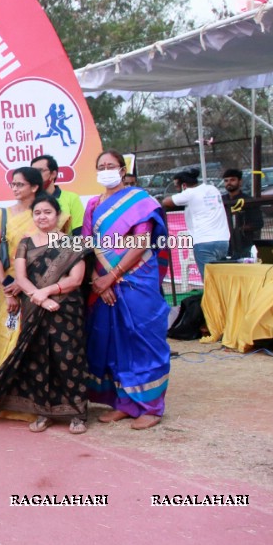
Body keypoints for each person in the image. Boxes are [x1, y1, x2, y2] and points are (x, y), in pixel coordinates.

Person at [0, 194, 89, 434]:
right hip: (34, 307)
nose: (42, 217)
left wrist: (46, 293)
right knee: (38, 359)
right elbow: (20, 277)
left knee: (69, 358)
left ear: (58, 215)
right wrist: (37, 297)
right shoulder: (26, 243)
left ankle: (77, 415)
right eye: (37, 213)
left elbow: (76, 279)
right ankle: (43, 413)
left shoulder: (73, 243)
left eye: (48, 212)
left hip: (66, 308)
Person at [87, 149, 171, 430]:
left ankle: (151, 407)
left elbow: (141, 243)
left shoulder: (140, 201)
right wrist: (99, 282)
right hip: (103, 283)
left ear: (123, 170)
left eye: (111, 165)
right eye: (101, 166)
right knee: (113, 342)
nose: (106, 169)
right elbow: (88, 247)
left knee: (143, 339)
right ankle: (124, 403)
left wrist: (112, 276)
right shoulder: (92, 205)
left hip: (137, 279)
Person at [0, 166, 70, 422]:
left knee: (41, 343)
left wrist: (27, 287)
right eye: (13, 184)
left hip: (43, 289)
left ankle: (41, 403)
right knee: (8, 338)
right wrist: (7, 287)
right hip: (10, 288)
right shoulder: (2, 215)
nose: (15, 188)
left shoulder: (53, 214)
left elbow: (61, 256)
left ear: (35, 187)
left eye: (20, 184)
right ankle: (6, 401)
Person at [162, 168, 229, 279]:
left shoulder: (189, 193)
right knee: (221, 278)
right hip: (223, 240)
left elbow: (166, 201)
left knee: (210, 281)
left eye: (176, 187)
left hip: (203, 242)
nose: (176, 189)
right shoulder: (212, 189)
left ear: (184, 185)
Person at [31, 154, 85, 235]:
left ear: (53, 174)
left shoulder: (71, 198)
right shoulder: (29, 201)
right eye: (32, 172)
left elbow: (79, 233)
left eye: (39, 171)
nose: (35, 176)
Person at [221, 168, 264, 259]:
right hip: (225, 244)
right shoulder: (221, 200)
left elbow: (258, 223)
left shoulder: (248, 201)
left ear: (240, 182)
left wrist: (240, 229)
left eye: (232, 180)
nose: (229, 183)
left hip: (245, 244)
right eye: (226, 180)